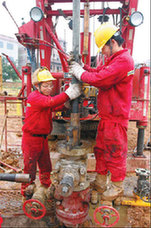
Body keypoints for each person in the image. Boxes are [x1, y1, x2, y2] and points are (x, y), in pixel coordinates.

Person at [69, 22, 135, 201]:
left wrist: (80, 73)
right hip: (107, 117)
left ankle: (117, 186)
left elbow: (100, 79)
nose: (102, 52)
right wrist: (83, 67)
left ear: (112, 42)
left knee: (114, 152)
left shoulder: (123, 61)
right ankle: (100, 181)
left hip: (116, 118)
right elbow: (98, 71)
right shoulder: (114, 59)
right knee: (100, 150)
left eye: (103, 48)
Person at [21, 67, 81, 199]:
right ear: (37, 86)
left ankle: (45, 186)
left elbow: (53, 105)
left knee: (45, 164)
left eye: (50, 85)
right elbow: (51, 102)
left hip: (42, 138)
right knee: (30, 166)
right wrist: (68, 94)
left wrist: (66, 105)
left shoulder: (44, 97)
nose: (49, 88)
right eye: (46, 85)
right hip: (31, 139)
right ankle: (26, 190)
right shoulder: (34, 97)